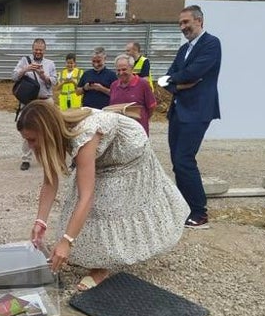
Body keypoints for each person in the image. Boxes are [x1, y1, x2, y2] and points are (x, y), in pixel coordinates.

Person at [16, 100, 189, 291]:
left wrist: (66, 241)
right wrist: (41, 221)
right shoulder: (59, 134)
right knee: (81, 203)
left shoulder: (85, 135)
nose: (29, 145)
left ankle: (101, 267)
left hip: (127, 154)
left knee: (103, 206)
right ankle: (90, 255)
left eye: (32, 139)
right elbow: (50, 180)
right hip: (102, 154)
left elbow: (86, 197)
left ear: (47, 131)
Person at [162, 5, 221, 229]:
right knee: (177, 162)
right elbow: (166, 79)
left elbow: (194, 73)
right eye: (180, 23)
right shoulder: (183, 50)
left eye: (186, 22)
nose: (183, 27)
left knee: (185, 160)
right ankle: (185, 207)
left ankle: (200, 212)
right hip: (178, 110)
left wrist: (177, 80)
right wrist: (180, 85)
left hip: (197, 112)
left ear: (199, 22)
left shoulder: (211, 44)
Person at [12, 38, 57, 170]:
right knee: (27, 130)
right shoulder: (24, 60)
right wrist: (25, 69)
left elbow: (54, 82)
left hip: (45, 100)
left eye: (40, 50)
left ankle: (48, 157)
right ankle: (26, 159)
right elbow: (14, 76)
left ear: (44, 50)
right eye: (36, 49)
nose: (38, 52)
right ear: (32, 49)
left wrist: (43, 75)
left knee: (48, 130)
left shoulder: (50, 63)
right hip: (29, 101)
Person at [109, 54, 156, 136]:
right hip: (118, 131)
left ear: (131, 68)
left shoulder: (143, 84)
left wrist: (143, 119)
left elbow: (151, 106)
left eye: (124, 69)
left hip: (137, 132)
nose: (121, 73)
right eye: (118, 70)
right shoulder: (114, 85)